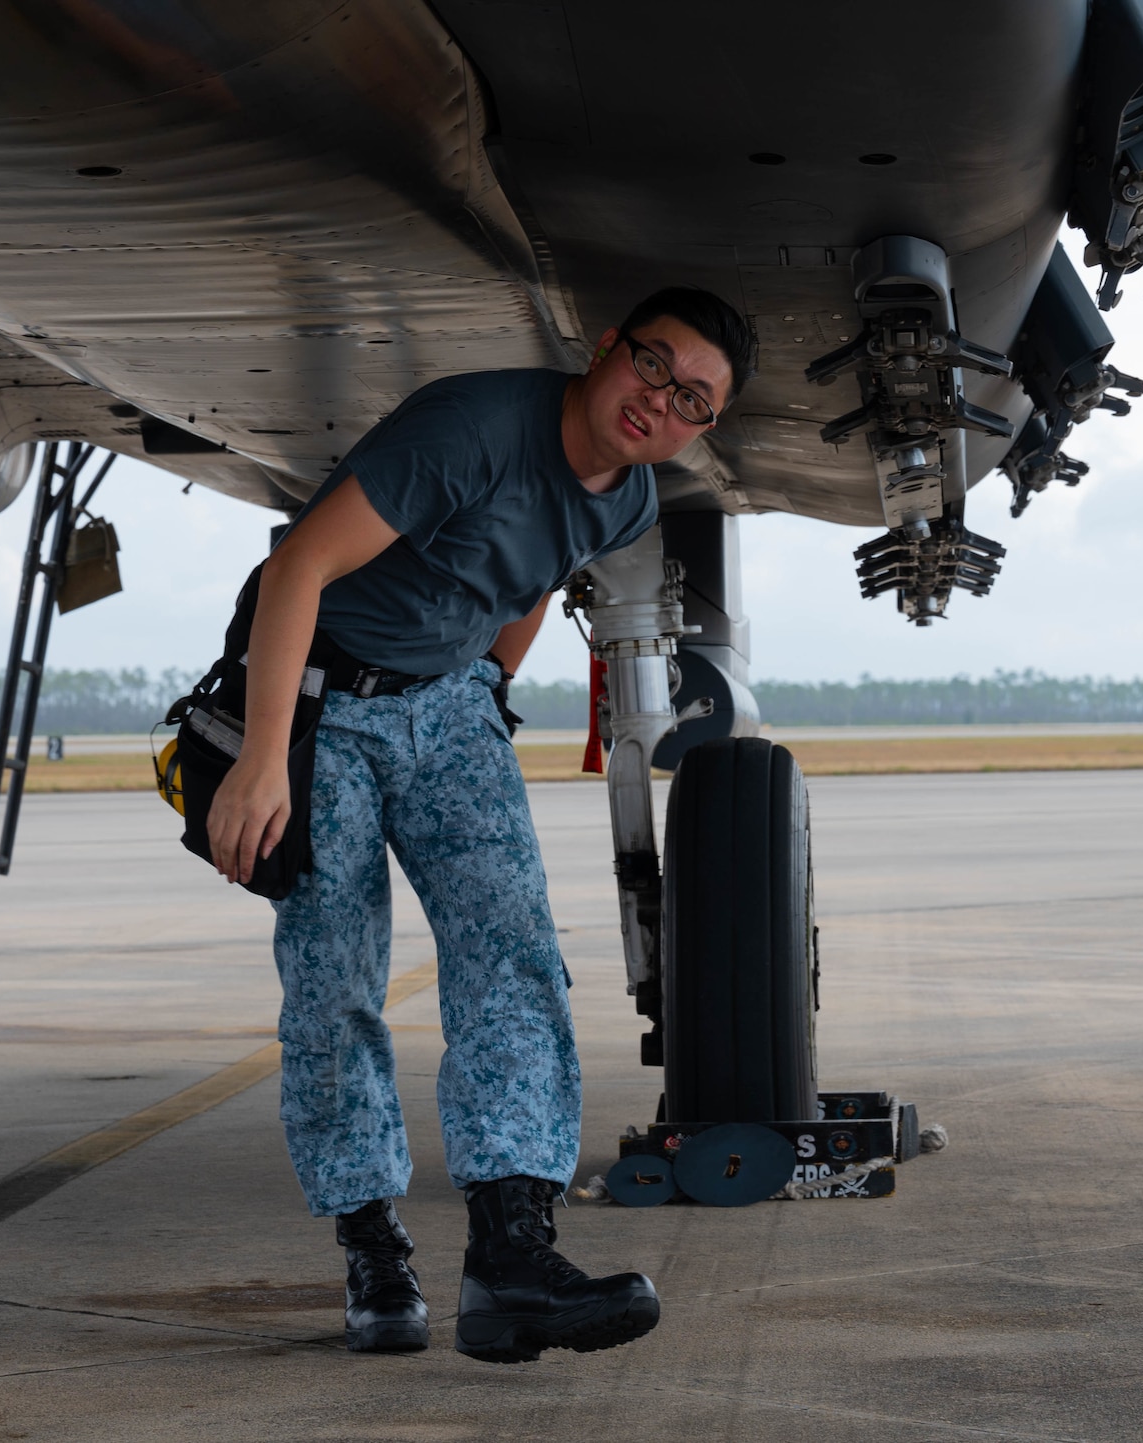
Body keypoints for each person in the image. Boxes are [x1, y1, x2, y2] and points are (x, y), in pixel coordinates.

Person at [206, 287, 757, 1363]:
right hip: (324, 699)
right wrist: (261, 761)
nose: (660, 402)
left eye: (692, 399)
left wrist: (487, 699)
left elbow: (533, 578)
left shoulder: (629, 499)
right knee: (334, 983)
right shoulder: (466, 429)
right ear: (606, 348)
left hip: (448, 705)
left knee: (513, 960)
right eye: (653, 366)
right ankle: (371, 1247)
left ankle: (511, 1259)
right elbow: (298, 569)